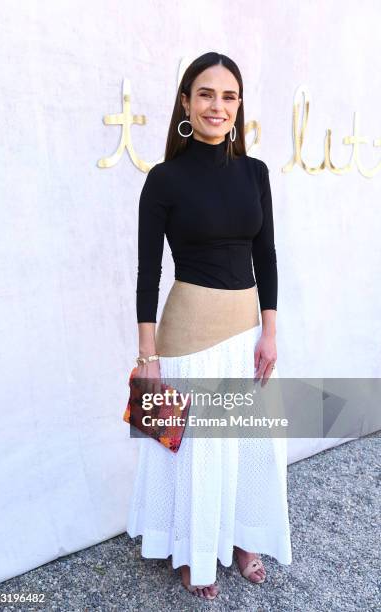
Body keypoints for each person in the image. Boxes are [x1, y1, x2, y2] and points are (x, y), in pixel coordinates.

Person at [126, 52, 292, 601]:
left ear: (239, 105)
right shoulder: (163, 180)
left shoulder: (255, 173)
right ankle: (193, 548)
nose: (217, 106)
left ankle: (244, 537)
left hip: (246, 330)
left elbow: (265, 255)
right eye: (205, 94)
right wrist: (146, 357)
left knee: (248, 444)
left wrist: (270, 330)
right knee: (195, 448)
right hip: (187, 332)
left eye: (228, 96)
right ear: (185, 102)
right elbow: (149, 273)